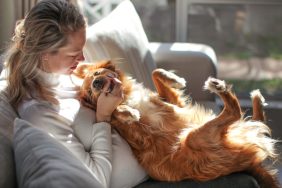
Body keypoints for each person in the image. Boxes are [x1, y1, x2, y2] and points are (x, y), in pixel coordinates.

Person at [3, 0, 147, 187]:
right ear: (44, 52)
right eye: (73, 54)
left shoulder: (65, 75)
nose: (82, 59)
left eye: (81, 50)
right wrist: (103, 117)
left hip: (160, 161)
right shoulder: (41, 114)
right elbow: (96, 179)